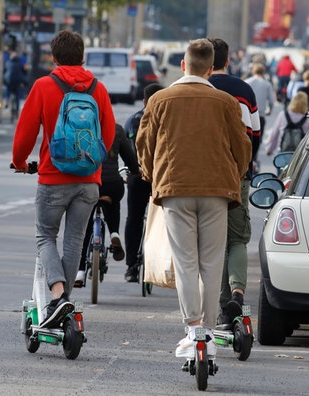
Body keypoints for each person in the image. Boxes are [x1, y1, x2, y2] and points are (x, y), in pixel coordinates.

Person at [135, 38, 252, 358]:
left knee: (186, 262)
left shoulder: (160, 99)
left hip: (175, 188)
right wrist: (236, 173)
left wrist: (150, 175)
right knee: (211, 262)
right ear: (211, 69)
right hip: (217, 190)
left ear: (183, 65)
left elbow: (144, 144)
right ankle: (210, 332)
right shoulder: (226, 102)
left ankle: (193, 329)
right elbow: (242, 147)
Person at [11, 30, 115, 328]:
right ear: (82, 57)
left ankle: (57, 293)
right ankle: (63, 305)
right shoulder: (98, 89)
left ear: (53, 58)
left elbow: (26, 132)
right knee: (74, 241)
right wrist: (91, 162)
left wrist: (20, 162)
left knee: (45, 236)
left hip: (53, 178)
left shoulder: (44, 86)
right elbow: (106, 135)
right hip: (88, 181)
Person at [208, 37, 261, 327]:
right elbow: (255, 134)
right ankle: (237, 295)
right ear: (228, 60)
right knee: (237, 239)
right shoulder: (244, 90)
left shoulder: (196, 88)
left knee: (215, 243)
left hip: (205, 176)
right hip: (237, 174)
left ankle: (222, 306)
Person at [75, 123, 138, 287]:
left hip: (90, 183)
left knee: (86, 225)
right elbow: (130, 158)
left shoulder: (84, 128)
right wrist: (136, 171)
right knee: (113, 202)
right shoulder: (116, 129)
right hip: (113, 184)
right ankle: (114, 234)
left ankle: (80, 271)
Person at [122, 83, 164, 282]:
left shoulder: (132, 120)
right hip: (161, 177)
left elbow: (128, 150)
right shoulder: (168, 117)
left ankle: (131, 266)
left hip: (137, 175)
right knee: (167, 220)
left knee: (134, 218)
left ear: (144, 101)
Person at [264, 91, 309, 156]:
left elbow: (274, 134)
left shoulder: (283, 115)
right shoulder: (308, 119)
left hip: (282, 151)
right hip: (299, 154)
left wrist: (269, 149)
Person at [244, 63, 275, 140]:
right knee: (258, 139)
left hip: (247, 114)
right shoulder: (267, 84)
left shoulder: (246, 82)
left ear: (253, 72)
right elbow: (271, 101)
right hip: (260, 115)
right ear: (263, 72)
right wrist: (270, 111)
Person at [4, 51, 27, 117]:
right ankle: (17, 111)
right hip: (18, 82)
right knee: (17, 97)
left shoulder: (7, 62)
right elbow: (24, 73)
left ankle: (7, 100)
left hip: (9, 81)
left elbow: (4, 72)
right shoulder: (20, 64)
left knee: (8, 90)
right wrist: (24, 82)